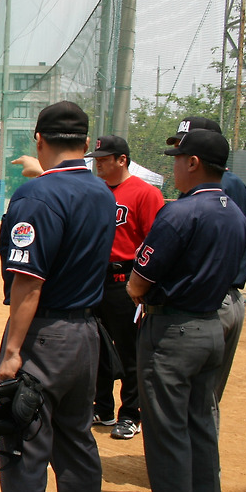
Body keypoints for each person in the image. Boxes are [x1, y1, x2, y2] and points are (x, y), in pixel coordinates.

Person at [0, 101, 115, 492]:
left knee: (24, 451)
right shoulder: (100, 189)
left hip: (44, 336)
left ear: (39, 138)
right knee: (76, 442)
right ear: (87, 143)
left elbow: (28, 283)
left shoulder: (35, 198)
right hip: (86, 334)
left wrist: (12, 351)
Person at [120, 128, 246, 492]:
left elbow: (139, 283)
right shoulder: (234, 211)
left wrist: (137, 291)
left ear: (194, 163)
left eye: (178, 158)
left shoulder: (180, 212)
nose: (173, 165)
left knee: (167, 429)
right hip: (213, 325)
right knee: (200, 423)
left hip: (174, 331)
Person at [167, 116, 246, 403]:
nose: (180, 151)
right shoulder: (220, 186)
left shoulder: (220, 186)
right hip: (223, 299)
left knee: (198, 401)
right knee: (203, 401)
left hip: (211, 302)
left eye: (185, 144)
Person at [86, 135, 163, 440]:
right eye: (97, 159)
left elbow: (154, 243)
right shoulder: (94, 192)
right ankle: (102, 407)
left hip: (126, 282)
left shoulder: (145, 194)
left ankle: (130, 414)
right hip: (94, 281)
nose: (99, 164)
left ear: (122, 160)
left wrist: (142, 287)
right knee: (97, 348)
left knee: (130, 352)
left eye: (105, 159)